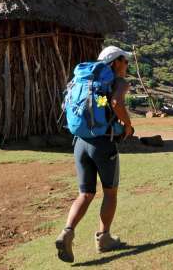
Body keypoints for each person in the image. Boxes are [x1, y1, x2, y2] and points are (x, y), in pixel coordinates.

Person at [55, 46, 136, 263]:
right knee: (110, 192)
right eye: (125, 62)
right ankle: (104, 238)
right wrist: (128, 125)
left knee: (85, 193)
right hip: (102, 145)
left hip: (80, 143)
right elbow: (116, 102)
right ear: (115, 62)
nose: (126, 66)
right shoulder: (117, 82)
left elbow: (101, 105)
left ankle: (67, 231)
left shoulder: (85, 81)